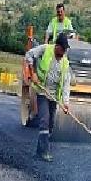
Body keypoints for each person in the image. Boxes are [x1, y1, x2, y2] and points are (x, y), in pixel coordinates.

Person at [25, 33, 71, 162]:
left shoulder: (65, 63)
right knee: (44, 120)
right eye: (62, 49)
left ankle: (39, 151)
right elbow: (29, 55)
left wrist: (66, 103)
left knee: (50, 124)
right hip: (42, 92)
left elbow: (66, 84)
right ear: (57, 46)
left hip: (54, 97)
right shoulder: (45, 49)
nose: (63, 52)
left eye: (65, 50)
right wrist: (32, 73)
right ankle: (45, 151)